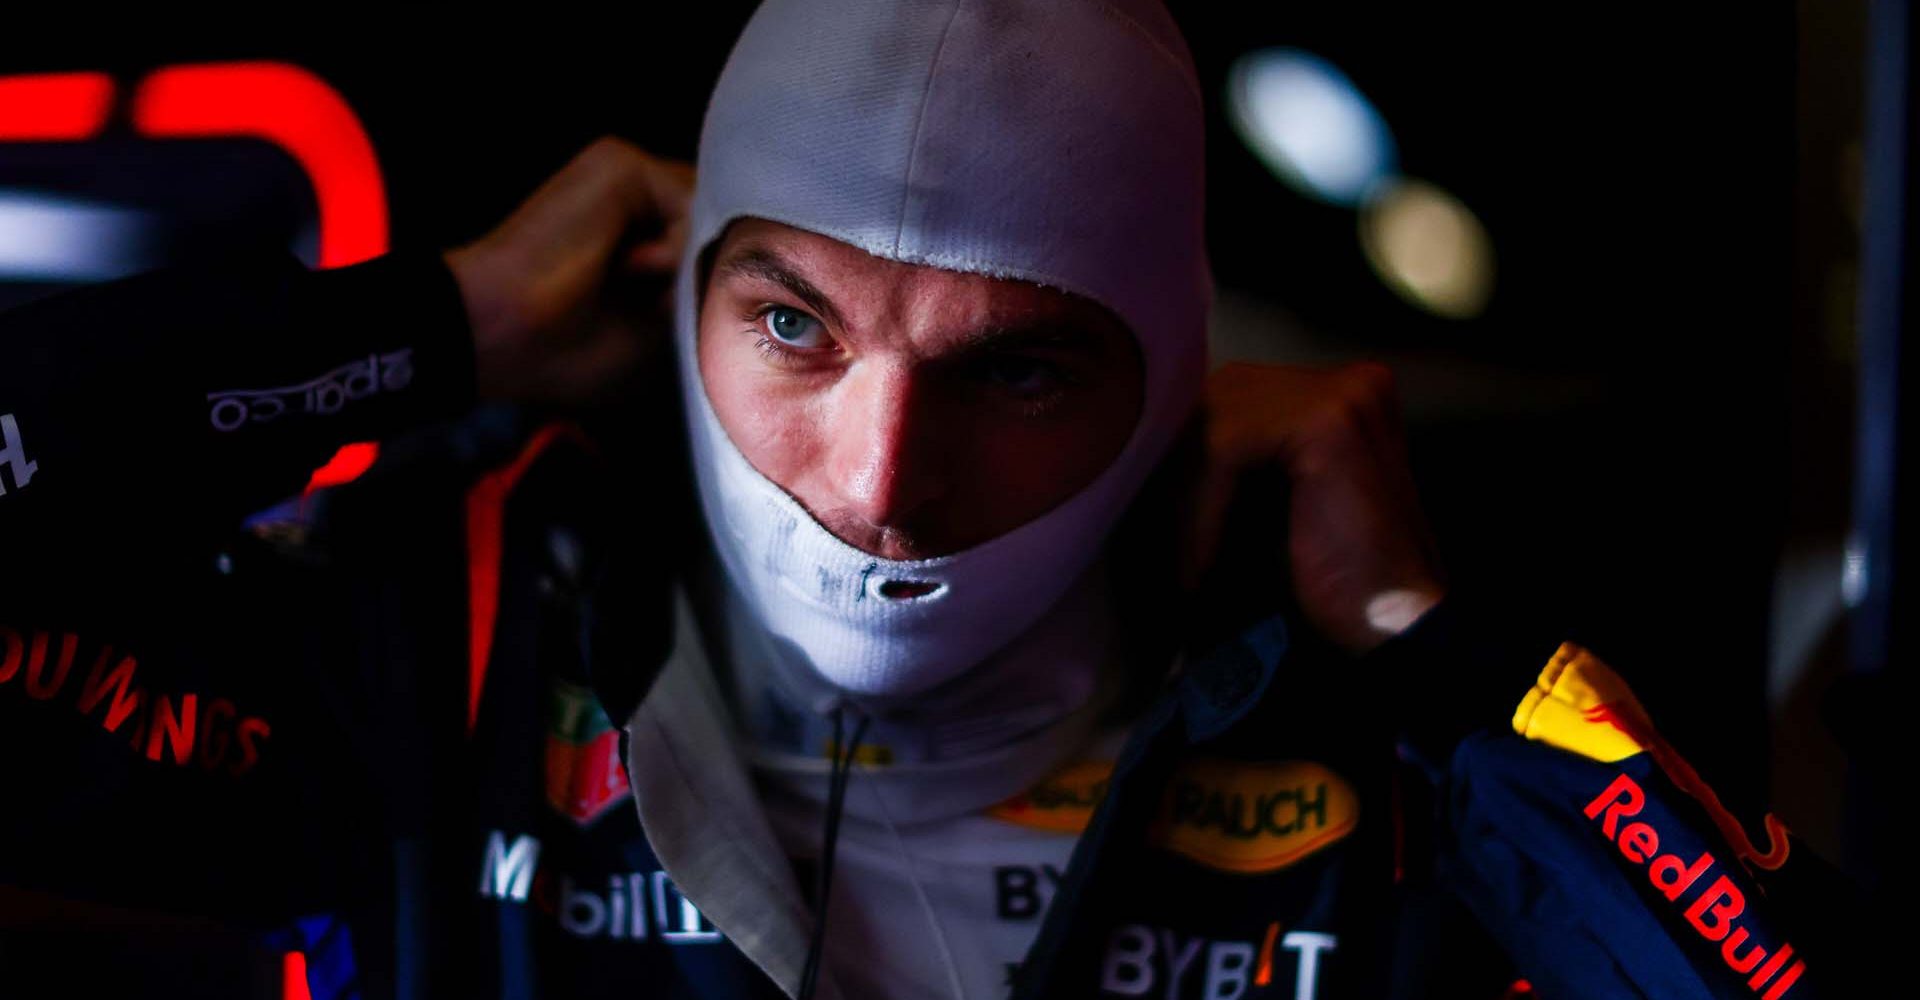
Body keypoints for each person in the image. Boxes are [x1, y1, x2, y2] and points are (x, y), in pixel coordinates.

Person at [0, 1, 1869, 998]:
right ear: (683, 304)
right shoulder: (455, 628)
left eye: (1021, 369)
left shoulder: (1370, 727)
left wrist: (1430, 661)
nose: (883, 482)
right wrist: (433, 325)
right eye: (795, 326)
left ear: (1175, 369)